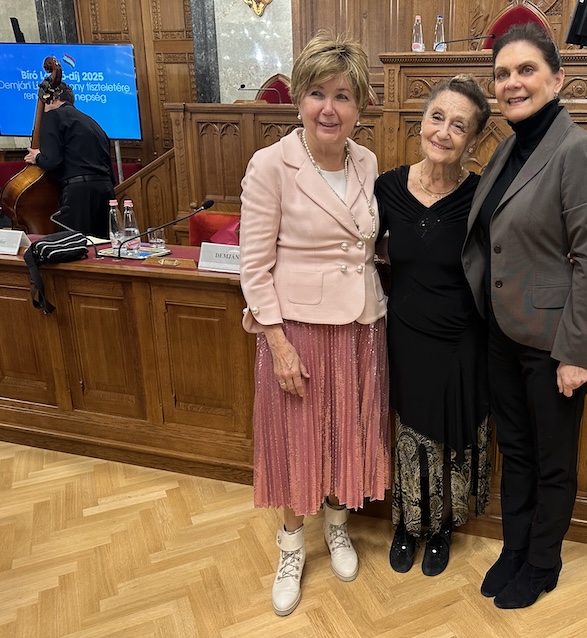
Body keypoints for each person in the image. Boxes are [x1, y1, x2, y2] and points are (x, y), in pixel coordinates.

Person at [462, 23, 587, 609]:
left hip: (554, 342)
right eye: (502, 74)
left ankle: (542, 562)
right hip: (503, 333)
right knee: (517, 452)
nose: (512, 83)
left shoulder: (579, 150)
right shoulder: (507, 148)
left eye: (526, 70)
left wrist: (577, 353)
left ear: (557, 80)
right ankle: (514, 549)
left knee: (552, 462)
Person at [239, 33, 389, 617]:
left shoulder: (366, 161)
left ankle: (337, 525)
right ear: (300, 99)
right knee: (297, 440)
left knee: (346, 430)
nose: (330, 108)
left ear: (359, 106)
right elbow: (254, 266)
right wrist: (277, 344)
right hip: (297, 329)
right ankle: (291, 546)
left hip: (361, 324)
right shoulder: (271, 164)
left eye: (343, 96)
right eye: (318, 93)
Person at [375, 75, 492, 577]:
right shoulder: (387, 188)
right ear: (421, 121)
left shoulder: (481, 196)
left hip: (461, 336)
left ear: (473, 140)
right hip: (404, 331)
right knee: (409, 432)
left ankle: (442, 527)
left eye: (459, 126)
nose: (443, 132)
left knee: (450, 432)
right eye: (437, 117)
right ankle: (406, 525)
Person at [23, 82, 115, 238]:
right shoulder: (91, 122)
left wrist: (37, 157)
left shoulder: (53, 116)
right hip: (106, 190)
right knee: (103, 245)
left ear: (52, 99)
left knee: (73, 244)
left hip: (79, 194)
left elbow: (52, 161)